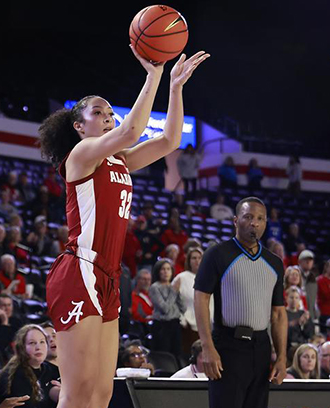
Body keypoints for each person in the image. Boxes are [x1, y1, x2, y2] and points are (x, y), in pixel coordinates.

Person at [40, 47, 208, 408]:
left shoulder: (120, 159)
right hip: (79, 270)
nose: (107, 117)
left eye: (109, 112)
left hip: (110, 276)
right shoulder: (81, 155)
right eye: (97, 112)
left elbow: (170, 141)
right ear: (79, 126)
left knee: (101, 394)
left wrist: (175, 88)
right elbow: (133, 129)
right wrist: (154, 75)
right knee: (76, 393)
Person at [195, 197, 287, 408]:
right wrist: (207, 347)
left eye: (260, 218)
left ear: (265, 223)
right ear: (236, 221)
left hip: (261, 348)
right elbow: (201, 299)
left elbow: (279, 314)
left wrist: (282, 357)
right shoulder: (217, 254)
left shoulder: (274, 263)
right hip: (228, 345)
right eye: (248, 217)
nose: (254, 222)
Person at [0, 325, 60, 408]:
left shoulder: (50, 369)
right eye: (32, 343)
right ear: (22, 348)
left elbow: (53, 392)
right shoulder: (14, 376)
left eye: (42, 342)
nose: (38, 347)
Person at [172, 247, 209, 357]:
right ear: (188, 260)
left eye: (199, 258)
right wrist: (182, 318)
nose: (197, 260)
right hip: (187, 327)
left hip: (208, 325)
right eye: (194, 258)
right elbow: (172, 302)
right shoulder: (181, 278)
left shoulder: (209, 277)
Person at [149, 259, 185, 357]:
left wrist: (178, 292)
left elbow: (183, 308)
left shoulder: (174, 287)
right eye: (163, 269)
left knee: (177, 354)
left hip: (175, 324)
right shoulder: (154, 287)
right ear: (158, 271)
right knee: (165, 355)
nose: (166, 272)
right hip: (162, 326)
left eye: (168, 269)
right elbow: (165, 309)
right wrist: (173, 291)